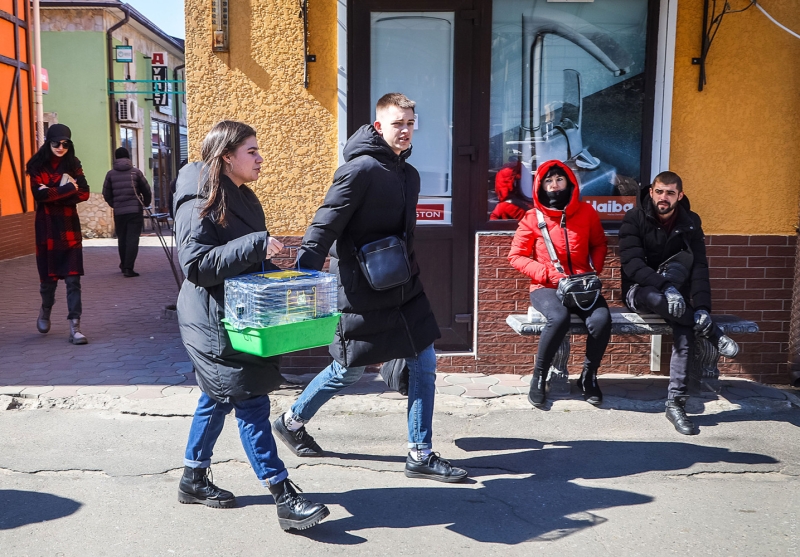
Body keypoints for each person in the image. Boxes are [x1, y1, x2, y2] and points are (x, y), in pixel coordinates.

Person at [272, 93, 468, 483]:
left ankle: (420, 452)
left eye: (411, 123)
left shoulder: (409, 175)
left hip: (404, 288)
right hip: (361, 291)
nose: (406, 130)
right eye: (398, 123)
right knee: (349, 370)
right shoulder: (359, 170)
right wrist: (304, 275)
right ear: (379, 127)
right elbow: (325, 223)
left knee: (424, 361)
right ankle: (291, 421)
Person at [173, 120, 328, 531]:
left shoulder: (239, 194)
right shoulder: (199, 200)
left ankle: (193, 477)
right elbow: (195, 265)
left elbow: (238, 259)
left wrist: (275, 274)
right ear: (227, 157)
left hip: (237, 316)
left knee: (217, 396)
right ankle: (283, 495)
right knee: (250, 399)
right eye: (252, 152)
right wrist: (255, 245)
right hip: (210, 320)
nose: (261, 159)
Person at [619, 171, 739, 435]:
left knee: (684, 329)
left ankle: (675, 404)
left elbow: (699, 268)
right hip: (640, 291)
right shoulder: (633, 218)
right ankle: (712, 332)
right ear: (651, 192)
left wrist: (704, 309)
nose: (664, 197)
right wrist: (666, 287)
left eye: (670, 193)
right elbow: (633, 265)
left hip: (678, 297)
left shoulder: (691, 222)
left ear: (679, 195)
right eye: (660, 191)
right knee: (656, 298)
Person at [508, 160, 610, 407]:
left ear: (570, 182)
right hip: (546, 287)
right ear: (541, 186)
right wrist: (548, 274)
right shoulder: (533, 217)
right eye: (549, 181)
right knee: (559, 318)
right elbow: (516, 256)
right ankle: (539, 375)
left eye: (559, 180)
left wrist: (594, 270)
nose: (554, 185)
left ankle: (588, 376)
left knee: (601, 320)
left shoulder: (586, 213)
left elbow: (599, 244)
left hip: (582, 285)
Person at [27, 124, 90, 345]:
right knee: (48, 281)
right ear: (48, 142)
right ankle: (45, 310)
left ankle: (75, 327)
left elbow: (85, 192)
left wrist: (52, 191)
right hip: (46, 228)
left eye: (65, 144)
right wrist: (67, 188)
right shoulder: (36, 165)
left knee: (73, 280)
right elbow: (39, 195)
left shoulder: (73, 163)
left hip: (69, 226)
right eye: (56, 143)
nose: (61, 147)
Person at [102, 147, 152, 277]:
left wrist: (114, 204)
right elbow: (146, 190)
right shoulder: (136, 173)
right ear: (128, 157)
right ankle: (128, 268)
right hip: (134, 210)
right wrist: (145, 203)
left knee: (122, 239)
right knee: (132, 239)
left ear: (116, 158)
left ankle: (124, 264)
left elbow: (106, 193)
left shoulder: (110, 174)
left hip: (119, 212)